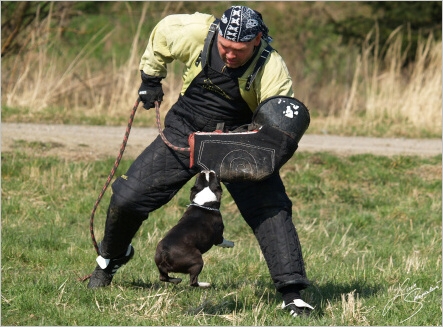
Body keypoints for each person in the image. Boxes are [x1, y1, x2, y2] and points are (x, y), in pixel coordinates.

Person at [87, 5, 314, 317]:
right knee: (127, 197)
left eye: (239, 51)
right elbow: (163, 33)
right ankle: (111, 259)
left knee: (271, 209)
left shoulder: (272, 69)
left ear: (257, 40)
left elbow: (276, 133)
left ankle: (293, 294)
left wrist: (255, 157)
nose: (230, 56)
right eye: (225, 48)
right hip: (185, 129)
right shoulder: (196, 32)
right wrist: (151, 77)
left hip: (239, 140)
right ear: (217, 34)